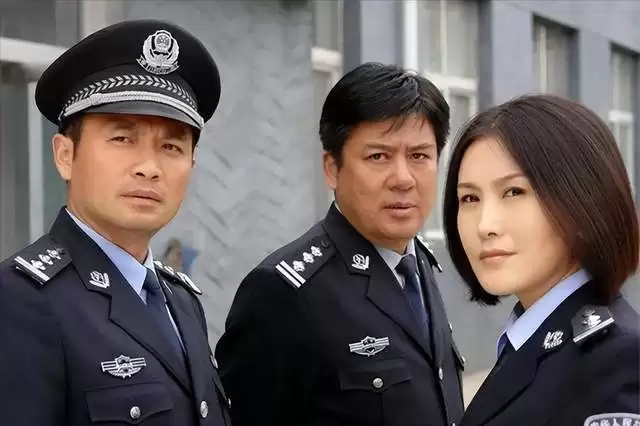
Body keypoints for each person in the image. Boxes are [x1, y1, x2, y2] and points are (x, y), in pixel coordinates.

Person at [0, 19, 231, 426]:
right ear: (65, 156)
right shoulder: (19, 302)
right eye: (123, 139)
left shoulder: (180, 300)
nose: (149, 167)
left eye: (171, 146)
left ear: (192, 165)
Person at [215, 62, 466, 426]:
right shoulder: (283, 293)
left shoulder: (416, 265)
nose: (403, 179)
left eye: (419, 156)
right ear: (332, 168)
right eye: (378, 156)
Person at [442, 94, 640, 426]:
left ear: (584, 202)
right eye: (470, 198)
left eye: (514, 192)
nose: (485, 226)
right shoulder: (529, 339)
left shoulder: (617, 362)